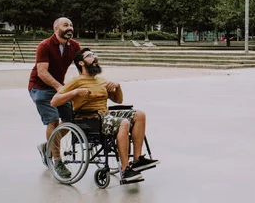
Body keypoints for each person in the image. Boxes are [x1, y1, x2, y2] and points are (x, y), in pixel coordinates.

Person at [50, 48, 159, 183]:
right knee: (123, 123)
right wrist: (75, 92)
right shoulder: (76, 81)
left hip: (105, 115)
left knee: (139, 115)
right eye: (90, 56)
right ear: (81, 63)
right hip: (89, 119)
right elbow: (54, 101)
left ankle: (137, 160)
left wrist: (118, 87)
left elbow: (118, 100)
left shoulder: (101, 80)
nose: (95, 58)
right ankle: (125, 170)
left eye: (95, 55)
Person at [28, 17, 81, 176]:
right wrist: (60, 87)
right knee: (53, 120)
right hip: (40, 88)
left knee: (71, 119)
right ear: (56, 29)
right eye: (66, 25)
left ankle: (48, 145)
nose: (69, 28)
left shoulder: (74, 46)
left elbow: (83, 67)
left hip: (59, 88)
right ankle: (57, 161)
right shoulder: (44, 46)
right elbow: (42, 73)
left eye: (71, 25)